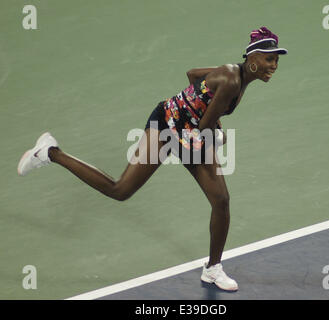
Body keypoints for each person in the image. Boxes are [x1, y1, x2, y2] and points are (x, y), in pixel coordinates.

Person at [17, 27, 287, 292]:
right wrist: (219, 134)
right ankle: (50, 152)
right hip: (167, 124)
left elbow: (192, 75)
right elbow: (205, 128)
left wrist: (197, 109)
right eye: (268, 58)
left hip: (189, 131)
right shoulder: (230, 81)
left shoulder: (235, 76)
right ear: (252, 58)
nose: (273, 65)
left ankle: (213, 269)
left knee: (221, 200)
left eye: (275, 59)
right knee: (120, 190)